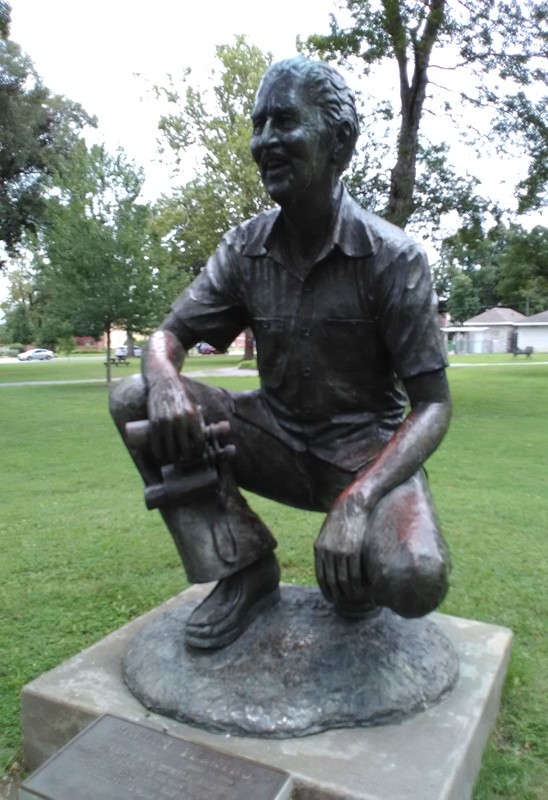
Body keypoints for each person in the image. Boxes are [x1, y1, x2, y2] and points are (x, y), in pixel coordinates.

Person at [110, 55, 452, 650]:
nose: (265, 141)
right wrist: (165, 379)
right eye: (258, 124)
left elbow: (433, 406)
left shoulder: (393, 258)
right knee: (137, 396)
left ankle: (360, 575)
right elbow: (167, 338)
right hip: (269, 439)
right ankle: (244, 570)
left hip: (362, 458)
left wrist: (358, 503)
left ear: (339, 142)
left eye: (284, 123)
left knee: (416, 577)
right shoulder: (244, 249)